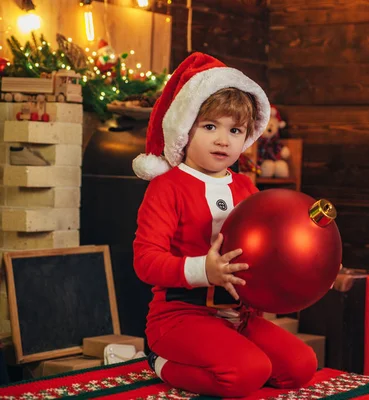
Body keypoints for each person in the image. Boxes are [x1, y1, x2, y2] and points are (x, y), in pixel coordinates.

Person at [132, 52, 317, 397]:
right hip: (180, 317)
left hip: (239, 317)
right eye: (210, 126)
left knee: (301, 366)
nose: (223, 140)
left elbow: (267, 248)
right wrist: (205, 270)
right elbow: (145, 261)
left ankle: (232, 359)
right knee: (249, 372)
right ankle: (160, 361)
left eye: (235, 130)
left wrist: (304, 264)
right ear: (186, 128)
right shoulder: (167, 187)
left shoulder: (245, 186)